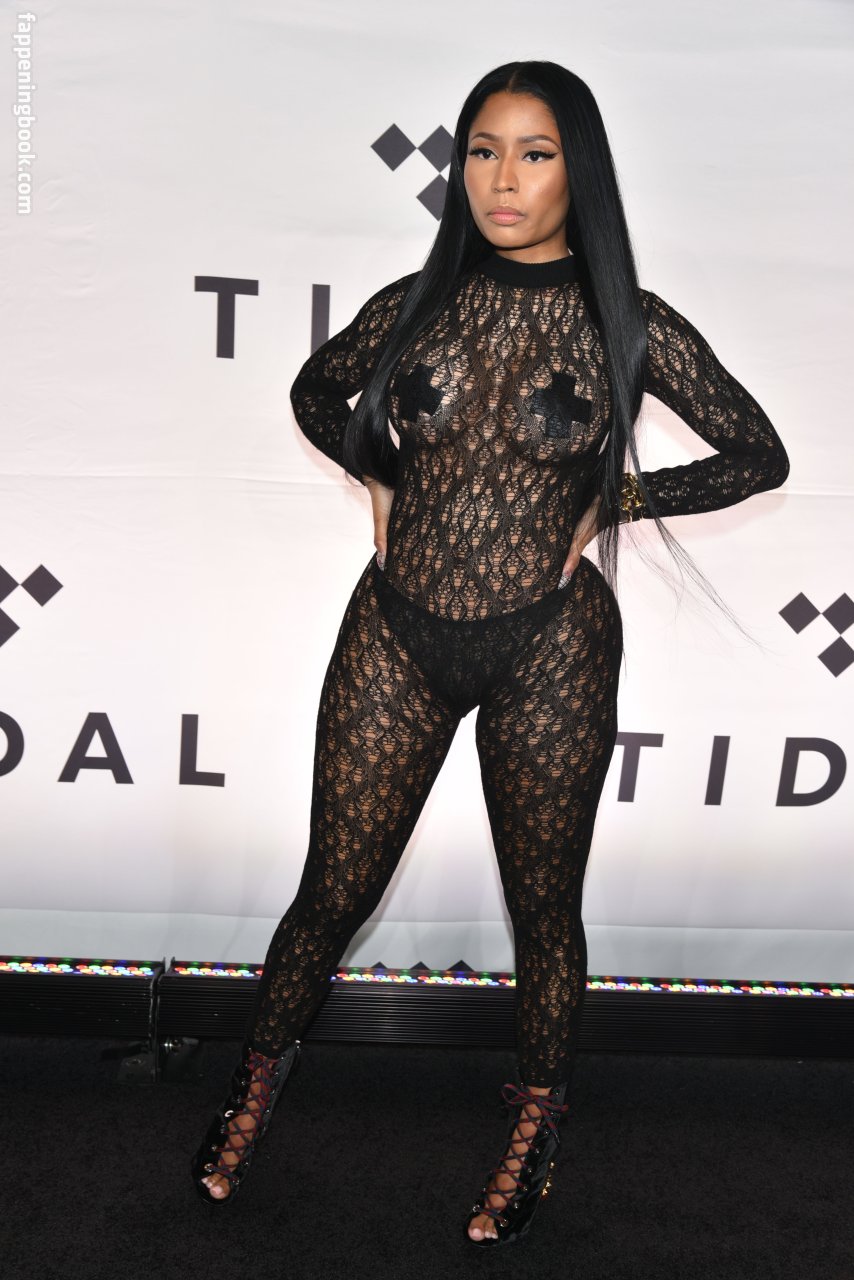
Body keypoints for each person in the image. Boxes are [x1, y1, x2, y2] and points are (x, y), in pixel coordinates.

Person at [190, 60, 790, 1246]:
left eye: (533, 152)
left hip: (549, 647)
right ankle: (250, 1088)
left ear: (578, 172)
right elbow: (315, 391)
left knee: (542, 912)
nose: (500, 179)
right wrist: (379, 473)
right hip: (396, 629)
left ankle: (535, 1129)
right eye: (480, 150)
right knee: (330, 892)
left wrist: (611, 498)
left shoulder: (625, 321)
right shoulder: (420, 301)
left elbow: (754, 454)